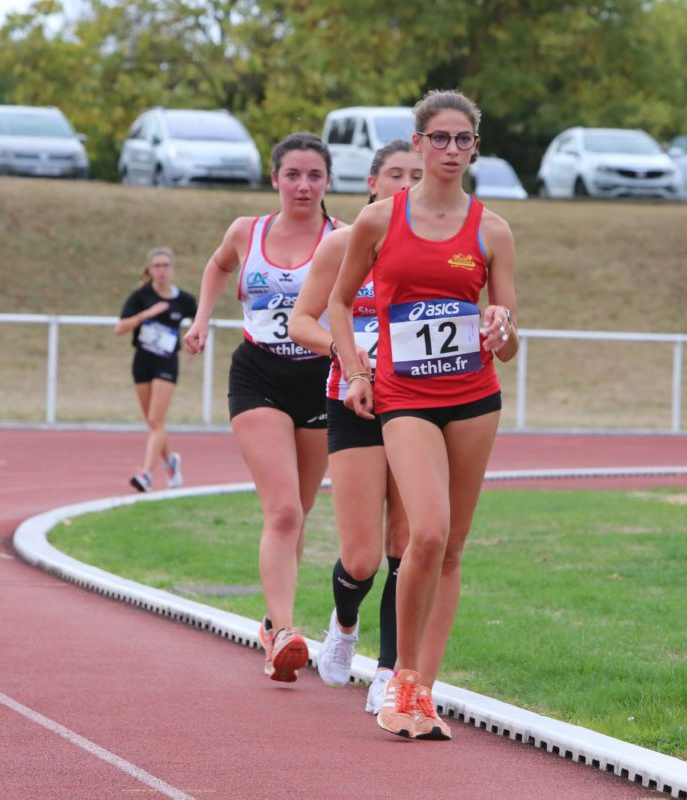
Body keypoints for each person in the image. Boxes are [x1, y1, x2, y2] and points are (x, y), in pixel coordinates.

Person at [327, 91, 519, 740]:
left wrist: (502, 329)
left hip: (474, 395)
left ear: (475, 147)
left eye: (463, 139)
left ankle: (425, 692)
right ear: (417, 142)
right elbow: (338, 303)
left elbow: (511, 329)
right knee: (425, 536)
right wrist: (356, 372)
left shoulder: (492, 229)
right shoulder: (381, 221)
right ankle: (401, 678)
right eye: (439, 138)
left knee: (454, 547)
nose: (450, 151)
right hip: (403, 395)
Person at [184, 133, 338, 683]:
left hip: (321, 377)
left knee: (300, 510)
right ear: (274, 179)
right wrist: (202, 317)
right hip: (258, 374)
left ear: (327, 182)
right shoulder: (246, 231)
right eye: (293, 174)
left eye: (314, 175)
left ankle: (274, 623)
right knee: (284, 511)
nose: (303, 185)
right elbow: (217, 265)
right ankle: (285, 634)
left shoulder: (341, 239)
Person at [288, 140, 422, 712]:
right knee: (363, 555)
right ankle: (344, 626)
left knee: (405, 546)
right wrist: (351, 356)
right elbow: (301, 322)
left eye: (415, 176)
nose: (406, 185)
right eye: (395, 174)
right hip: (352, 402)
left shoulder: (436, 254)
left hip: (419, 405)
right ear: (372, 183)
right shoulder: (342, 245)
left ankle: (390, 671)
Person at [115, 247, 198, 493]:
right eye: (157, 266)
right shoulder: (140, 297)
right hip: (142, 362)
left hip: (166, 362)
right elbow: (120, 328)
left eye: (165, 265)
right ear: (149, 270)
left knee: (155, 420)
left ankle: (147, 474)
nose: (161, 270)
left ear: (172, 269)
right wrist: (146, 315)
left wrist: (193, 342)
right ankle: (171, 462)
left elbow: (198, 321)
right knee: (153, 424)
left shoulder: (185, 299)